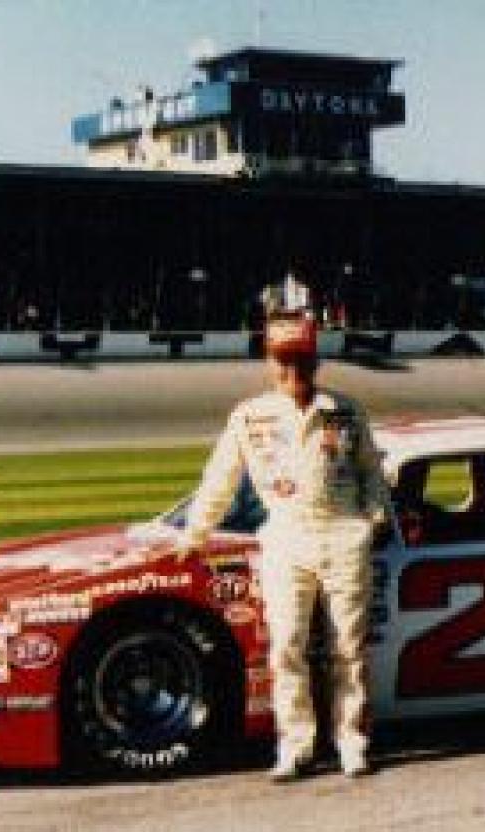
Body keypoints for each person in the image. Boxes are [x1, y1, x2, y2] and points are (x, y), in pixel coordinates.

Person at [174, 311, 388, 781]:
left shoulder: (345, 410)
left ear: (316, 361)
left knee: (348, 647)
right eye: (284, 360)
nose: (293, 371)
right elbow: (219, 480)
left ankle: (352, 742)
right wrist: (194, 535)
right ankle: (295, 745)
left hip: (343, 533)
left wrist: (375, 520)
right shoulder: (250, 416)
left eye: (302, 360)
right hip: (286, 537)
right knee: (287, 645)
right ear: (269, 362)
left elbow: (372, 472)